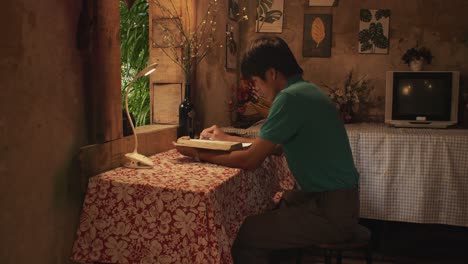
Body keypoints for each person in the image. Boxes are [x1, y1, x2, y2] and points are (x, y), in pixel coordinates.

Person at [175, 36, 360, 264]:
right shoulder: (306, 90)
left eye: (255, 81)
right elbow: (274, 147)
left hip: (331, 212)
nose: (257, 90)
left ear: (271, 73)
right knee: (274, 205)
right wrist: (225, 137)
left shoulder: (289, 98)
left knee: (242, 234)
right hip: (339, 202)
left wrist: (196, 152)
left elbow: (251, 160)